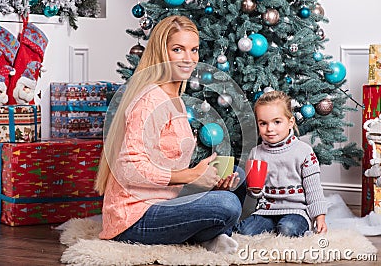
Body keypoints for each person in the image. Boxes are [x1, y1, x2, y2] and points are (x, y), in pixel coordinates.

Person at [94, 15, 243, 254]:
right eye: (178, 49)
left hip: (164, 202)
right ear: (161, 53)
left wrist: (208, 180)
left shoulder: (175, 100)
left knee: (237, 175)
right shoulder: (149, 100)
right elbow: (129, 168)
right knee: (227, 204)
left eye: (193, 50)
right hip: (135, 217)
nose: (189, 59)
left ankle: (207, 234)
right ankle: (210, 235)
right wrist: (189, 176)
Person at [235, 90, 327, 237]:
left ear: (290, 122)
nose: (270, 129)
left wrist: (319, 217)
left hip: (296, 211)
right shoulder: (256, 153)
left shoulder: (303, 152)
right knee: (244, 231)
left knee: (288, 229)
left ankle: (297, 230)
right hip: (267, 210)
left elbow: (314, 189)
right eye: (263, 123)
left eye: (277, 122)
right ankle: (272, 227)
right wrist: (255, 191)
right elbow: (253, 192)